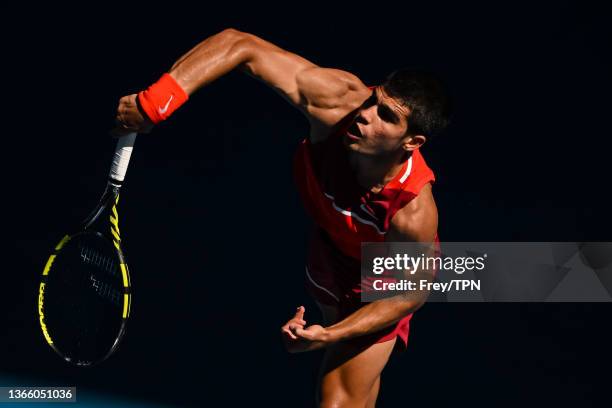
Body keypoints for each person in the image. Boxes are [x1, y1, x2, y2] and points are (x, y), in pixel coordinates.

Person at [113, 28, 450, 407]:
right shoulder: (339, 101)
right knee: (356, 395)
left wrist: (330, 334)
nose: (366, 115)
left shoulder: (413, 211)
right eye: (374, 100)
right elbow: (240, 45)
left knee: (338, 398)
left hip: (381, 276)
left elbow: (410, 293)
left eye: (386, 117)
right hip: (329, 251)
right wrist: (157, 101)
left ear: (412, 142)